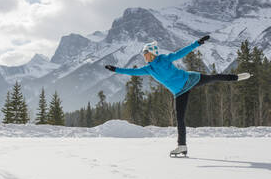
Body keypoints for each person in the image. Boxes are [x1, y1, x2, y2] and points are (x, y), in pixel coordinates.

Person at [105, 36, 251, 157]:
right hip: (179, 92)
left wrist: (197, 43)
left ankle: (236, 77)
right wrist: (116, 69)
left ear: (152, 52)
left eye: (146, 53)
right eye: (144, 54)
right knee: (179, 118)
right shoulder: (148, 69)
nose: (144, 57)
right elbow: (132, 72)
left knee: (213, 78)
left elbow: (181, 52)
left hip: (190, 80)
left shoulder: (164, 59)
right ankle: (182, 146)